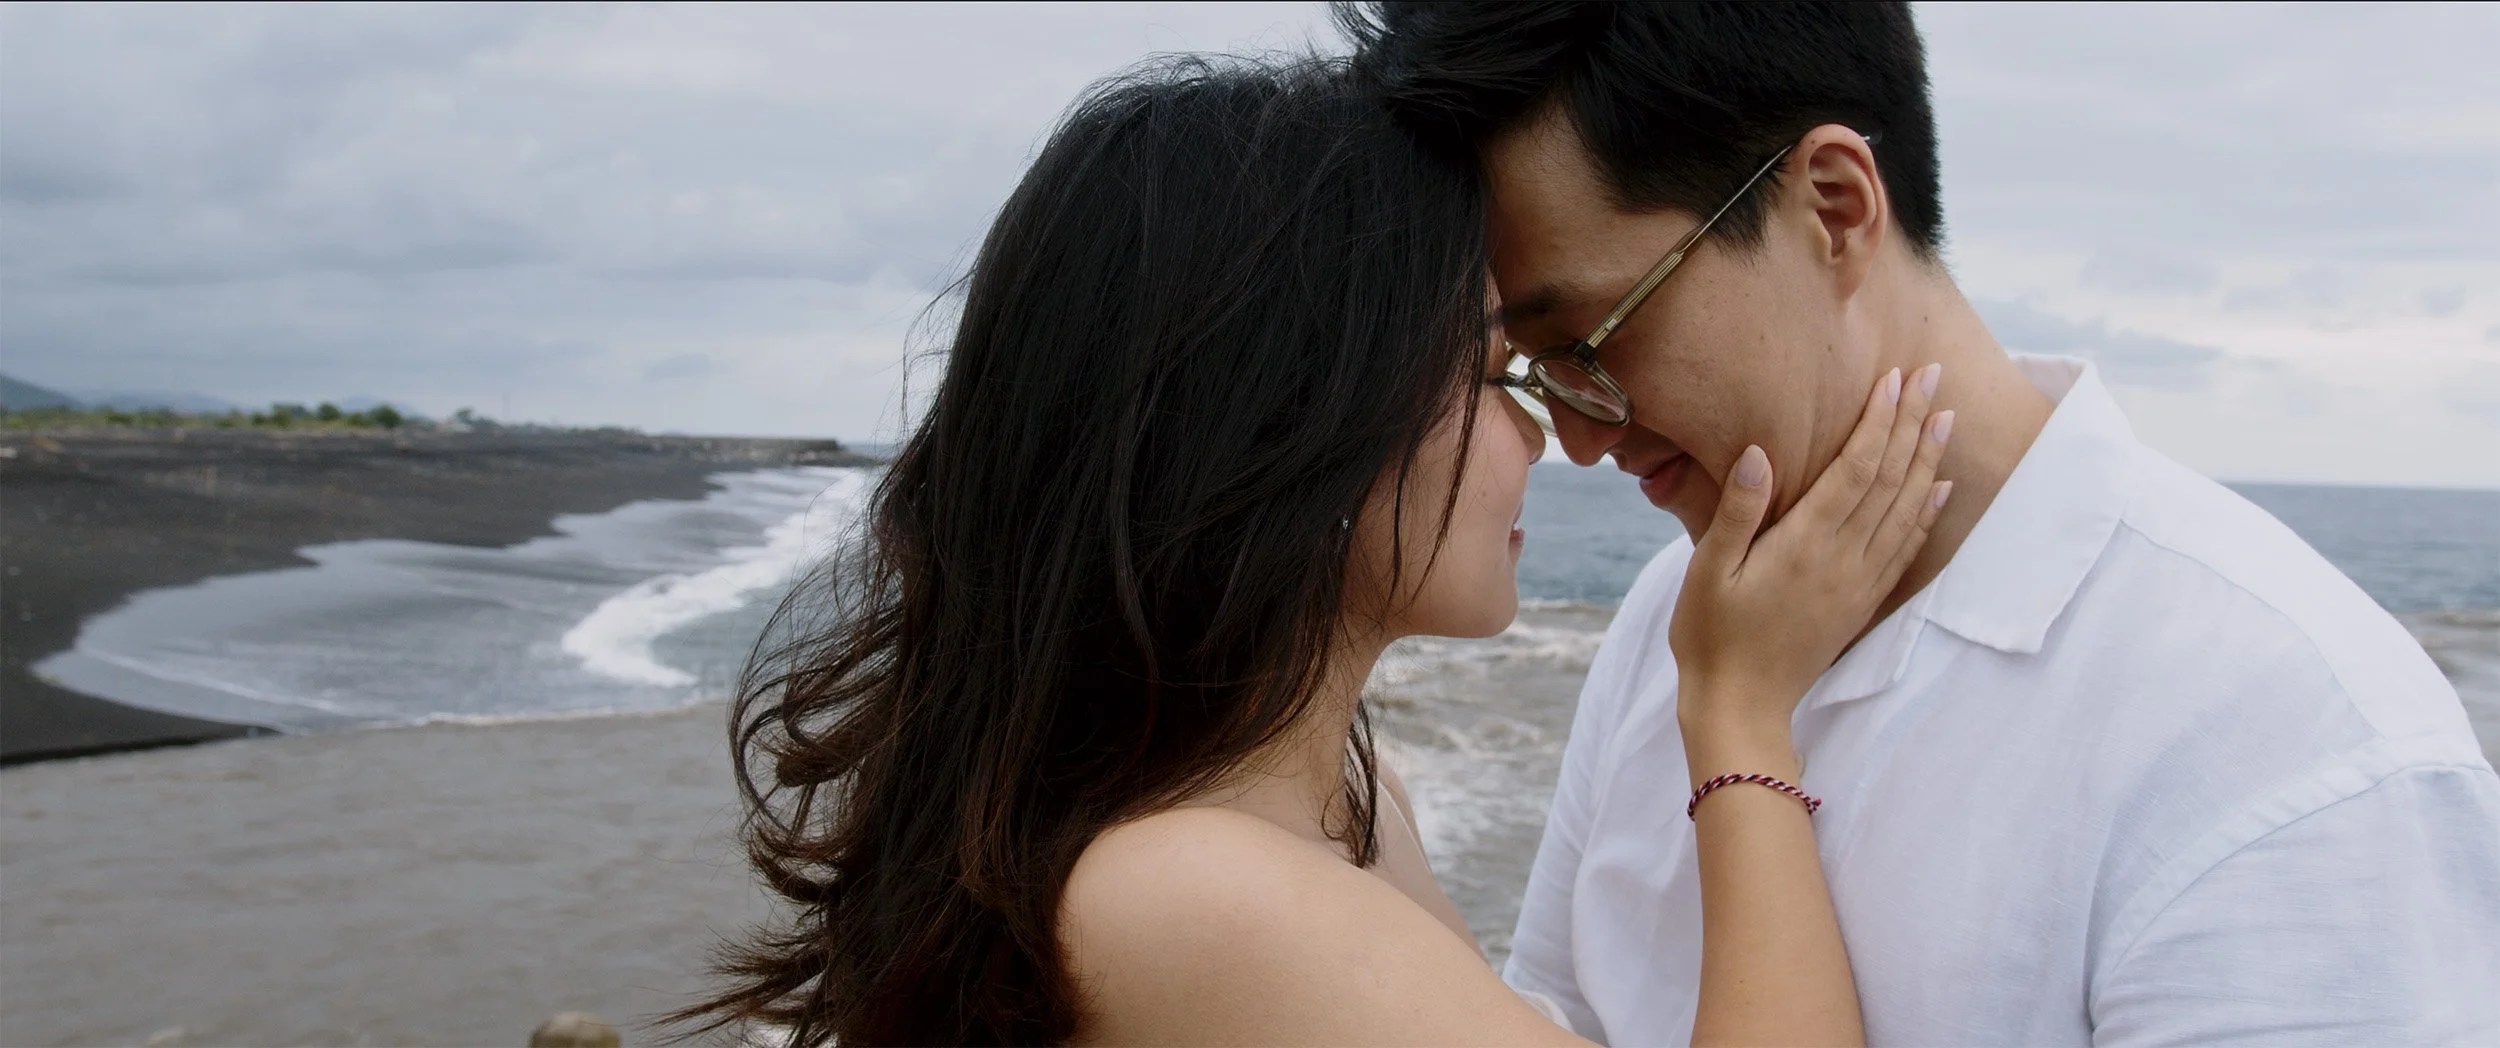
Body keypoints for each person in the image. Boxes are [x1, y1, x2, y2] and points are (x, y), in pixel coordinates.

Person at [669, 58, 1949, 1045]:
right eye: (1494, 371)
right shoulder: (1194, 884)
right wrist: (1738, 716)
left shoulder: (1333, 807)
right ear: (1297, 419)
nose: (1548, 437)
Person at [1345, 2, 2500, 1044]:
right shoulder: (1679, 616)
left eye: (1592, 340)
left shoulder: (2288, 728)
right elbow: (1569, 1018)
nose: (1584, 438)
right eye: (1540, 372)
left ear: (1834, 207)